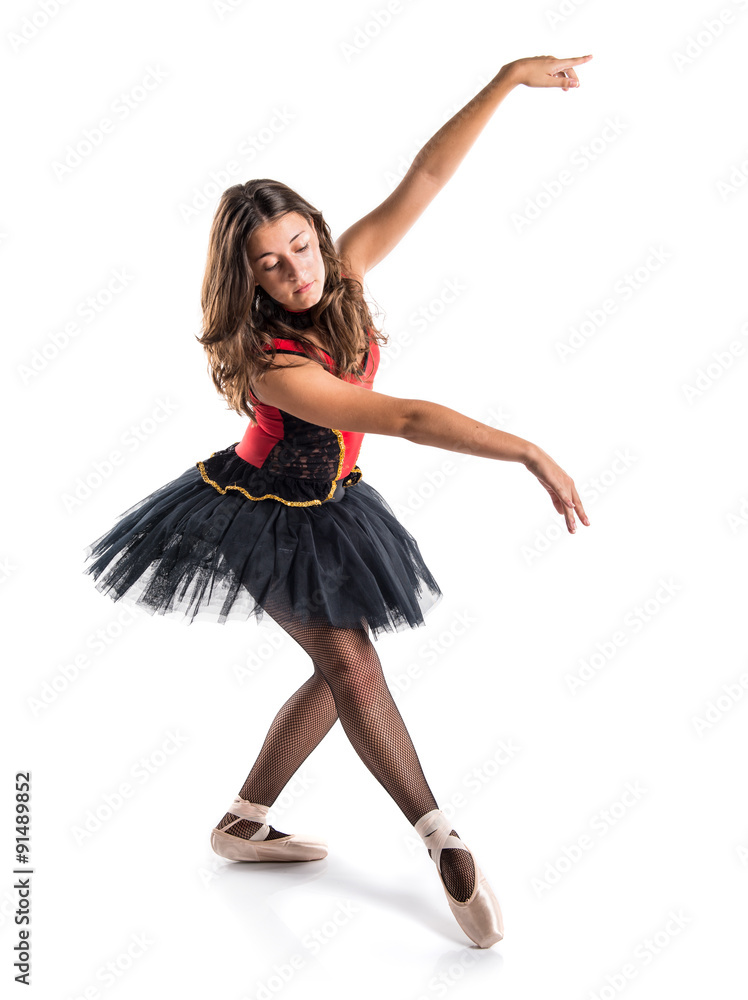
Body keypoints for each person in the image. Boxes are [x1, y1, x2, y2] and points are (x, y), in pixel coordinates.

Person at [83, 52, 592, 948]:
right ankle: (443, 840)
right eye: (270, 266)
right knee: (355, 666)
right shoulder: (273, 364)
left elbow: (427, 174)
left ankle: (243, 822)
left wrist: (508, 79)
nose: (297, 274)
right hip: (256, 516)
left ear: (319, 233)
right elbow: (399, 415)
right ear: (248, 280)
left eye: (302, 248)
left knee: (337, 663)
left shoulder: (344, 271)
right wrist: (525, 449)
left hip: (335, 503)